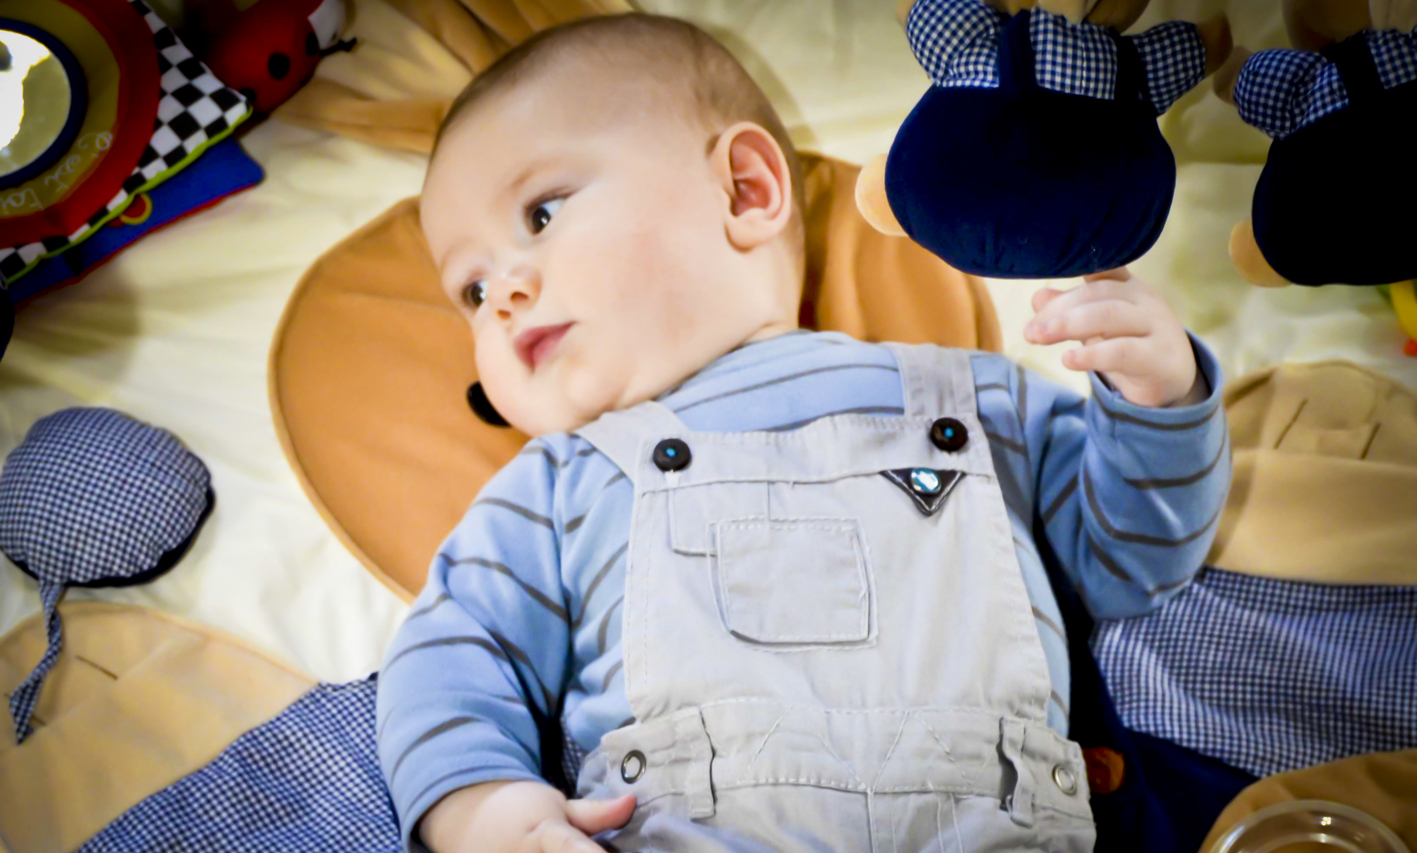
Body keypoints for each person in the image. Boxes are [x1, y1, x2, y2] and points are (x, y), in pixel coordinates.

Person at [377, 12, 1230, 853]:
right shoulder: (555, 483)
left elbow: (1127, 563)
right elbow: (455, 648)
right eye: (472, 290)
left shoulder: (970, 397)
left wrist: (1156, 400)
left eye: (541, 213)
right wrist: (480, 808)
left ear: (743, 190)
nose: (505, 294)